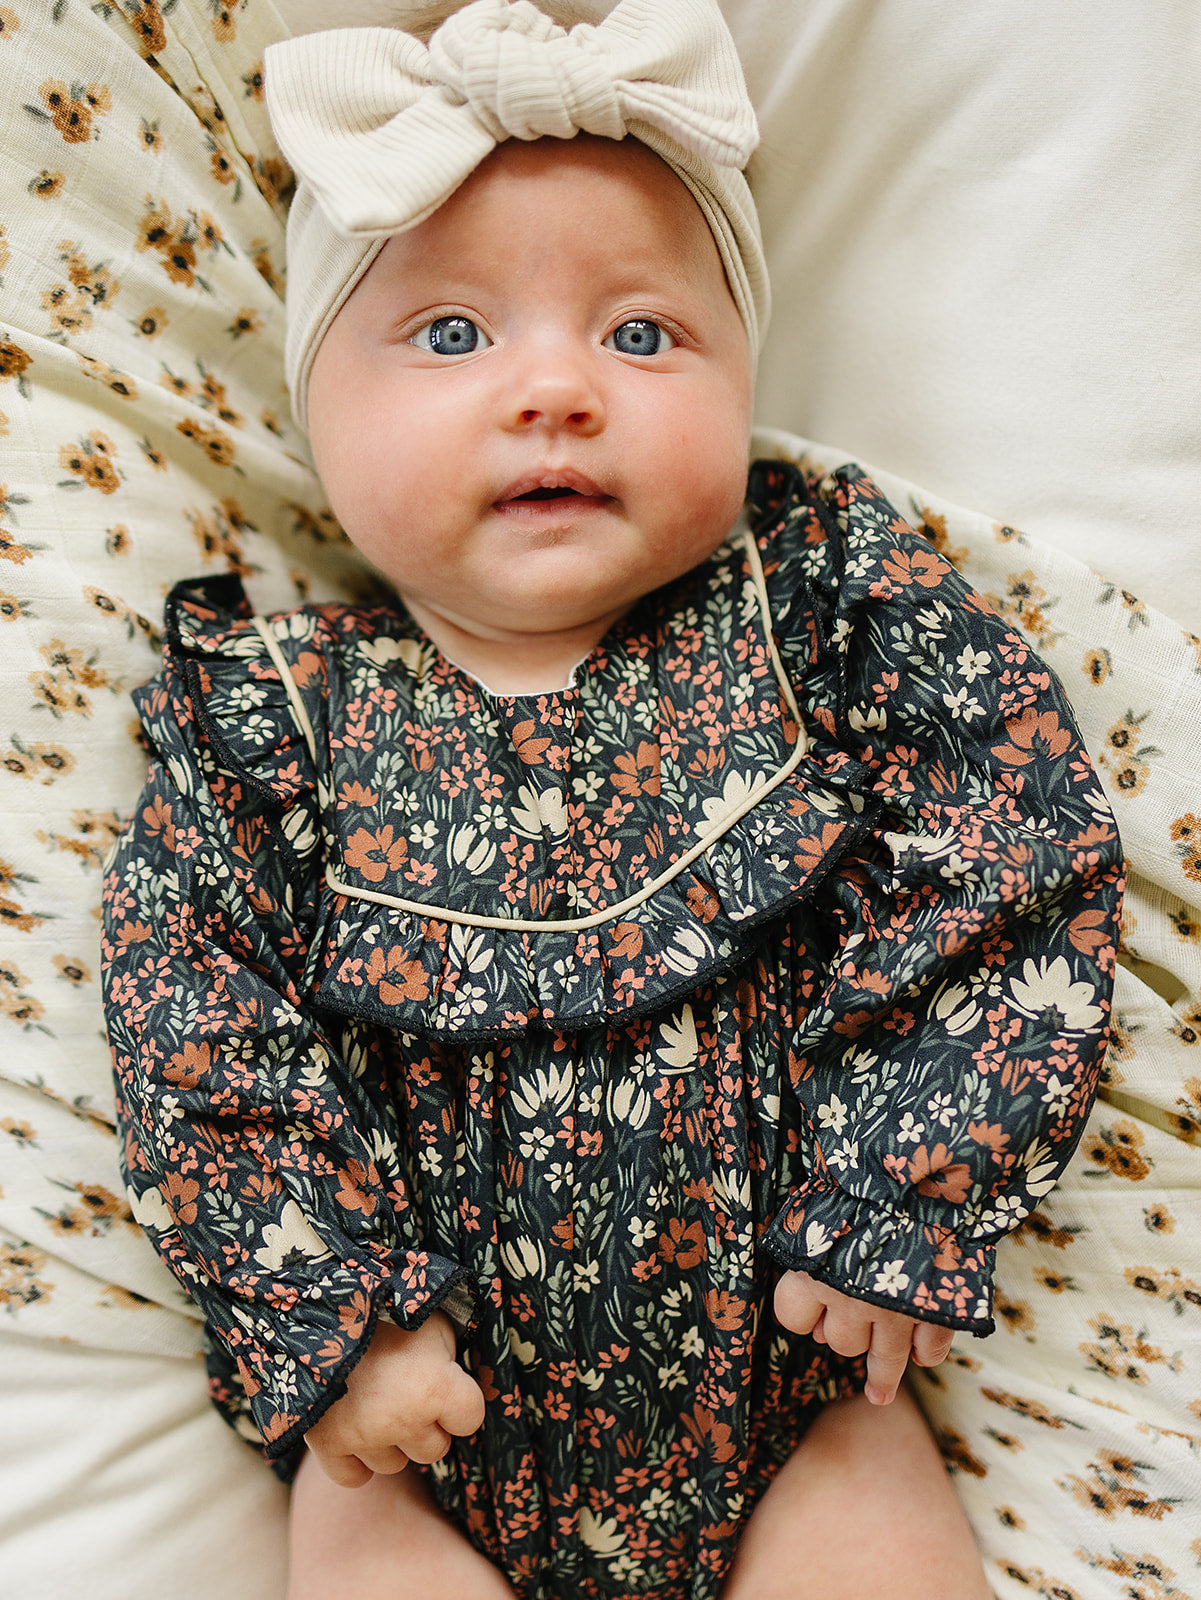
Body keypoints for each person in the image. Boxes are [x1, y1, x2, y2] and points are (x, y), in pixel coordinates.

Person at [100, 3, 1123, 1597]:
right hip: (415, 1445)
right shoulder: (272, 722)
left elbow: (1008, 841)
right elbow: (194, 1023)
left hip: (800, 1393)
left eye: (640, 337)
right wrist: (334, 1315)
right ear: (316, 410)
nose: (555, 388)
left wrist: (903, 1185)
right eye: (452, 335)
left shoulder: (816, 610)